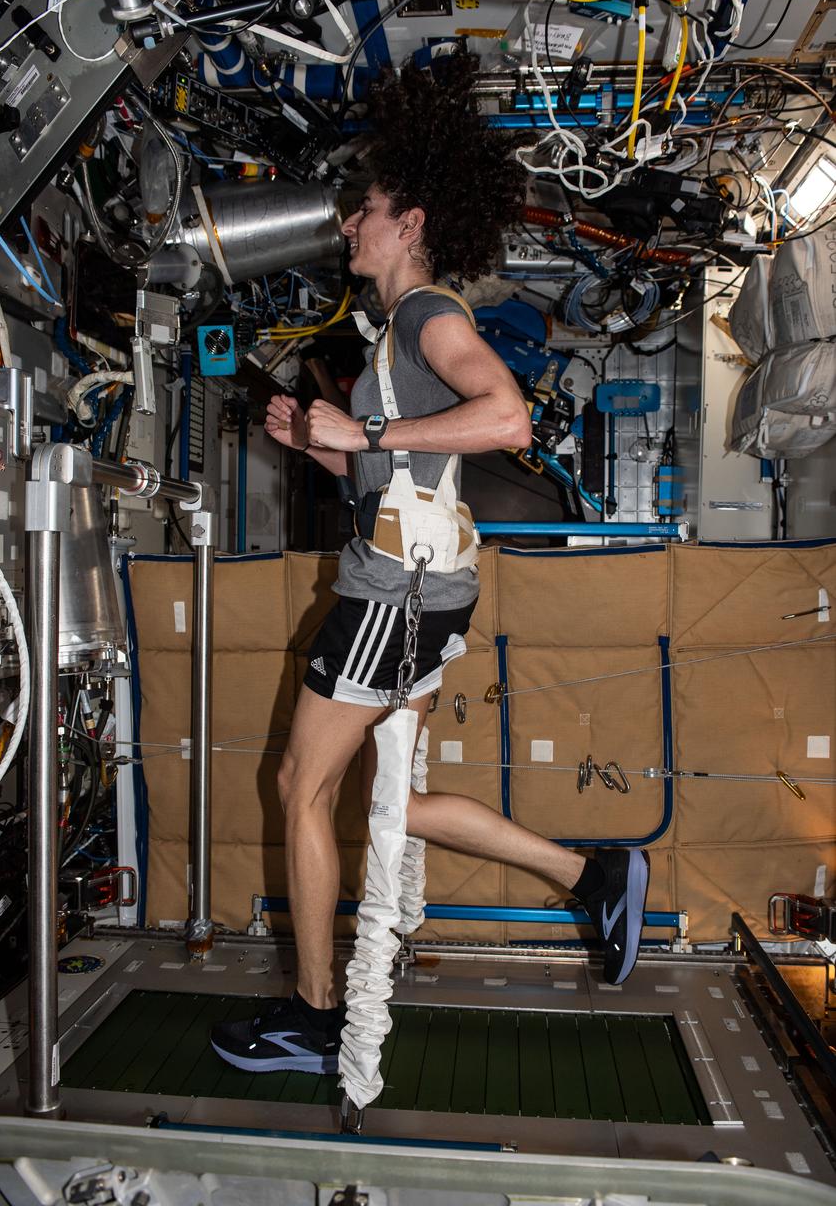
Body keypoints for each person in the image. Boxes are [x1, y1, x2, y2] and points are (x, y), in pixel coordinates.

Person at [210, 54, 649, 1077]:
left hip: (394, 595)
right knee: (380, 802)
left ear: (407, 222)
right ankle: (589, 873)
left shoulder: (424, 314)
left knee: (300, 784)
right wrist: (318, 442)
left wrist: (361, 432)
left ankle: (316, 1015)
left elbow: (506, 419)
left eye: (361, 211)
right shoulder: (389, 333)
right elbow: (391, 471)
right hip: (417, 586)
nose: (347, 226)